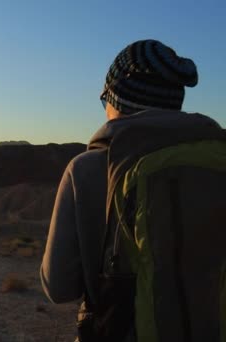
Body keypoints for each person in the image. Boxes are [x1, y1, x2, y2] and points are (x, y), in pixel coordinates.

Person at [39, 39, 224, 341]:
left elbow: (58, 287)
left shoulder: (87, 169)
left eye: (105, 101)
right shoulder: (217, 161)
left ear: (119, 101)